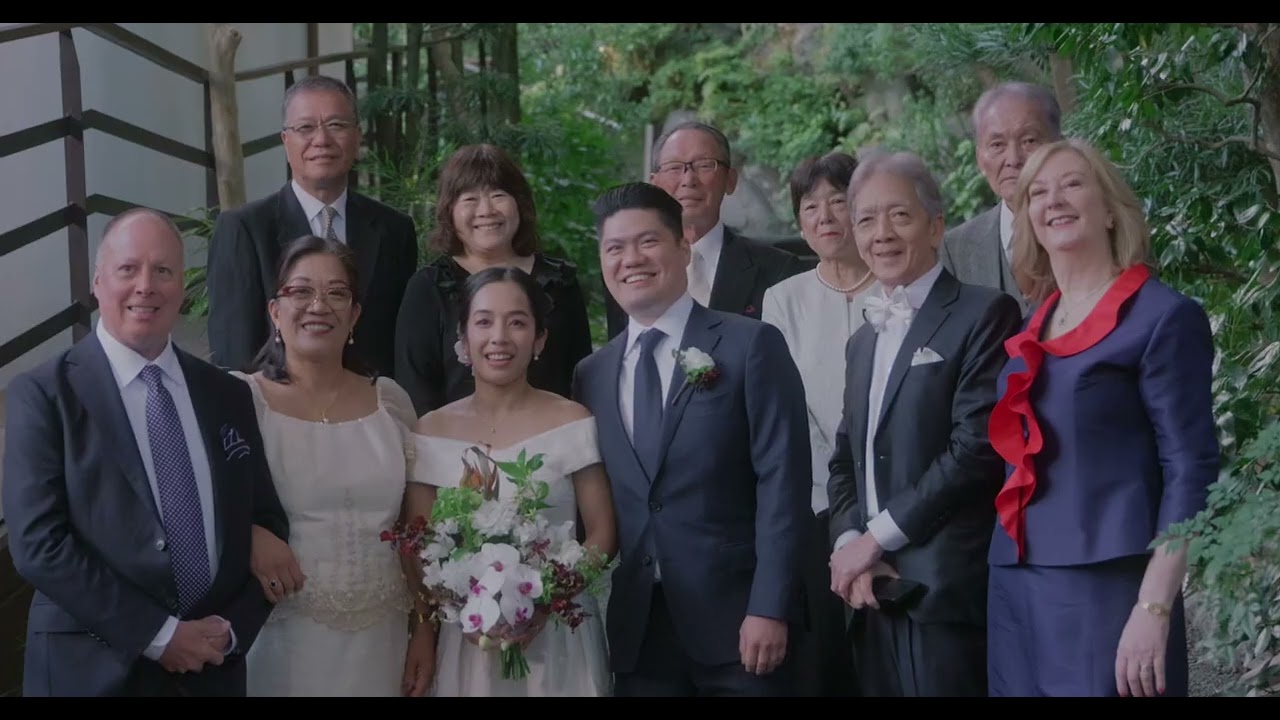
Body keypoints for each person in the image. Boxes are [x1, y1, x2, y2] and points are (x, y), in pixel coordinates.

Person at [1, 208, 290, 696]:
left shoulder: (227, 395)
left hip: (211, 669)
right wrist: (160, 636)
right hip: (91, 670)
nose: (146, 285)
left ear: (182, 285)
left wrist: (231, 629)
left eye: (163, 270)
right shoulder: (43, 394)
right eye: (128, 268)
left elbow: (265, 522)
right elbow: (38, 544)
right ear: (97, 282)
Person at [986, 138, 1220, 698]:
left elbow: (1191, 468)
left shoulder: (1164, 317)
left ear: (1111, 208)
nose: (1054, 200)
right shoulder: (1029, 327)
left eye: (1072, 183)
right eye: (1037, 192)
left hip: (1109, 586)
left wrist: (1155, 605)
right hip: (1016, 584)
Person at [574, 182, 811, 696]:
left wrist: (769, 605)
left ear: (683, 247)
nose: (631, 259)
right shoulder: (592, 374)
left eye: (648, 242)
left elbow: (783, 483)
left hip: (740, 625)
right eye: (615, 248)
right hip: (640, 634)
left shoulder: (751, 345)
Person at [826, 149, 1022, 697]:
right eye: (865, 219)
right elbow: (846, 458)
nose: (880, 233)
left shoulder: (985, 312)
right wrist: (849, 544)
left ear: (936, 227)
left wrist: (876, 538)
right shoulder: (861, 341)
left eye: (900, 215)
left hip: (942, 588)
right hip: (868, 591)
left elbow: (975, 449)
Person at [223, 235, 435, 697]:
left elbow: (414, 531)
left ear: (355, 315)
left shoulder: (392, 404)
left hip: (381, 640)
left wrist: (424, 626)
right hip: (280, 634)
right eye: (301, 291)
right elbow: (199, 502)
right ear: (275, 311)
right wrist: (249, 534)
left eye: (336, 293)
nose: (318, 305)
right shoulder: (240, 400)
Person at [408, 266, 617, 696]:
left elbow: (602, 532)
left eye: (517, 322)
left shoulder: (573, 420)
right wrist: (460, 602)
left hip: (558, 636)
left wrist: (544, 601)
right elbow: (417, 545)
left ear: (539, 339)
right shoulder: (430, 430)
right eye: (483, 321)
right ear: (463, 341)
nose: (499, 337)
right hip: (466, 640)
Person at [207, 73, 418, 378]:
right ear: (285, 140)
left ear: (357, 136)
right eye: (305, 127)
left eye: (336, 125)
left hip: (371, 410)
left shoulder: (394, 230)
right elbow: (232, 351)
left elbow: (401, 346)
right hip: (276, 412)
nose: (321, 140)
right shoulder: (244, 229)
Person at [761, 151, 872, 696]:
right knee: (825, 663)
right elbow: (786, 405)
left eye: (839, 202)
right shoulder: (783, 298)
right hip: (815, 504)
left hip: (898, 504)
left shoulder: (899, 285)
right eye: (811, 207)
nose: (825, 216)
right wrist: (838, 493)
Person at [394, 143, 593, 417]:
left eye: (498, 195)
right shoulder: (428, 287)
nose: (486, 210)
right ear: (449, 211)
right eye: (470, 199)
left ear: (520, 204)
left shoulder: (558, 283)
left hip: (553, 443)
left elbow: (582, 379)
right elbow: (415, 390)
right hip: (454, 448)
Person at [602, 121, 806, 338]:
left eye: (704, 165)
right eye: (674, 168)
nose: (688, 179)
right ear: (655, 184)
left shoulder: (778, 269)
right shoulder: (631, 271)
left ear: (730, 180)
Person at [941, 81, 1063, 316]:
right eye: (997, 145)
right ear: (979, 159)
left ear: (1060, 145)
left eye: (1029, 141)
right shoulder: (957, 248)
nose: (1013, 159)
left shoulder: (1092, 225)